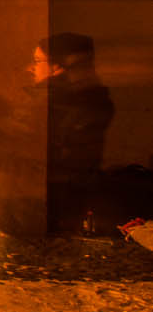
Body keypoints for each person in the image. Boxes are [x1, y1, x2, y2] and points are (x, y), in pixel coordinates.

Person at [32, 33, 115, 233]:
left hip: (57, 194)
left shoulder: (57, 102)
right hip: (67, 191)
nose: (31, 68)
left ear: (58, 66)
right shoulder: (89, 99)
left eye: (37, 61)